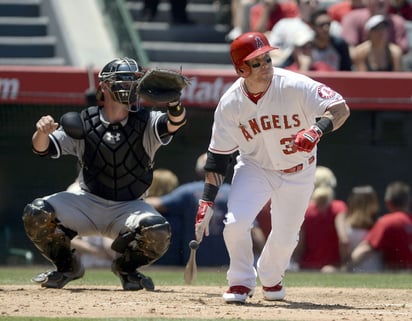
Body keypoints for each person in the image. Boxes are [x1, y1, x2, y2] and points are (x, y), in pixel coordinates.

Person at [194, 32, 350, 304]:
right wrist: (207, 200)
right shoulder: (230, 103)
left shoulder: (293, 84)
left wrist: (317, 129)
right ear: (241, 69)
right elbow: (218, 157)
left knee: (287, 236)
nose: (266, 65)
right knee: (234, 224)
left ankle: (270, 276)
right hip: (255, 167)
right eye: (256, 62)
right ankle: (240, 282)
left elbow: (340, 108)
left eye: (267, 58)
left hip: (298, 169)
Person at [22, 57, 187, 290]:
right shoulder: (83, 122)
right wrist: (41, 131)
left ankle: (126, 269)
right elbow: (42, 148)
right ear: (105, 86)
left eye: (135, 81)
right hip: (88, 201)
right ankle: (68, 266)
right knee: (36, 213)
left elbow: (174, 123)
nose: (131, 87)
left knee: (158, 231)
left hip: (129, 206)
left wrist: (174, 103)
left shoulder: (146, 120)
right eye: (125, 81)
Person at [146, 153, 232, 266]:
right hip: (226, 260)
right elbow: (251, 228)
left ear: (198, 170)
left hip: (195, 259)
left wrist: (127, 204)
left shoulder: (188, 191)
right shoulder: (232, 192)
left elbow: (157, 204)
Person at [345, 181, 412, 270]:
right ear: (408, 201)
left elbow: (364, 250)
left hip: (397, 277)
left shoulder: (387, 222)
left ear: (388, 203)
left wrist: (345, 268)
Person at [291, 166, 347, 272]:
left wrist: (297, 263)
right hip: (332, 268)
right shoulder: (339, 207)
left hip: (307, 267)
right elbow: (344, 240)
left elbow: (299, 243)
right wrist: (345, 264)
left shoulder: (304, 209)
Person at [335, 185, 383, 272]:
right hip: (374, 270)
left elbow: (344, 242)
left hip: (351, 270)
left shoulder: (343, 219)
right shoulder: (380, 222)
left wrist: (345, 267)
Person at [341, 0, 409, 56]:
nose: (381, 1)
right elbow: (348, 50)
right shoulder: (351, 18)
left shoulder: (399, 21)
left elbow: (403, 51)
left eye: (382, 28)